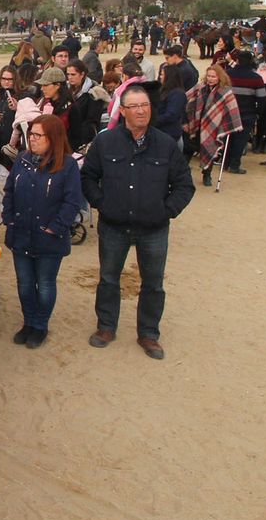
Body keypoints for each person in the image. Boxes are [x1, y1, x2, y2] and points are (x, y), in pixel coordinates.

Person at [80, 85, 194, 359]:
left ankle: (149, 333)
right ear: (123, 111)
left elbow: (184, 185)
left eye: (145, 105)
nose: (142, 110)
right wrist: (102, 204)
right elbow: (88, 177)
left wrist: (166, 211)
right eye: (135, 106)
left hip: (153, 229)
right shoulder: (106, 142)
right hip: (114, 226)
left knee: (153, 283)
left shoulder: (165, 144)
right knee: (108, 279)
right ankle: (106, 326)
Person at [1, 114, 82, 349]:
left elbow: (72, 202)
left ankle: (40, 325)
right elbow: (9, 191)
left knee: (45, 284)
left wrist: (55, 227)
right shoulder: (22, 160)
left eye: (38, 135)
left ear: (53, 138)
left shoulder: (67, 166)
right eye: (31, 134)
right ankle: (28, 322)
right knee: (24, 283)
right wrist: (9, 218)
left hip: (49, 238)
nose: (32, 139)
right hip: (21, 233)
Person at [182, 63, 243, 189]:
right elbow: (186, 97)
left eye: (213, 76)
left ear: (219, 77)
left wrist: (226, 124)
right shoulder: (200, 87)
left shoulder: (225, 92)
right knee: (188, 150)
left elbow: (232, 110)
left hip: (213, 126)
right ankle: (182, 174)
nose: (210, 79)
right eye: (209, 76)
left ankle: (207, 174)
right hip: (197, 124)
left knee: (209, 148)